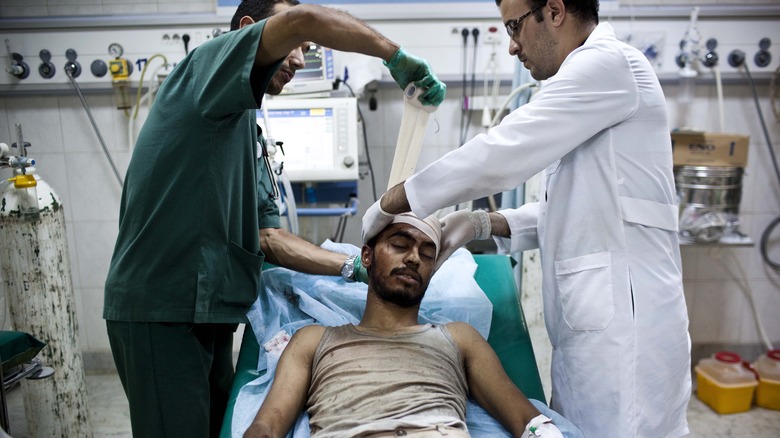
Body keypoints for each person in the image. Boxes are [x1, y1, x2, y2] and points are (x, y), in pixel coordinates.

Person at [102, 0, 446, 436]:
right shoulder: (207, 67)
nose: (301, 59)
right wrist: (392, 55)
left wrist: (352, 266)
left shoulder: (244, 125)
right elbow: (305, 16)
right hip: (163, 304)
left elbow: (270, 237)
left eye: (306, 49)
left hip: (208, 312)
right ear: (247, 30)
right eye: (295, 45)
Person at [362, 0, 691, 436]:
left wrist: (399, 199)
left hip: (627, 338)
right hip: (593, 326)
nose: (513, 46)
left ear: (554, 11)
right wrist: (484, 224)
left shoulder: (609, 66)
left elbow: (503, 151)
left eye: (514, 27)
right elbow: (575, 210)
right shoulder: (589, 82)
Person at [243, 213, 568, 438]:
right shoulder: (313, 341)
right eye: (400, 245)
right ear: (366, 257)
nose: (414, 258)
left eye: (428, 254)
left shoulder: (458, 339)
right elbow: (267, 427)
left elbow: (529, 423)